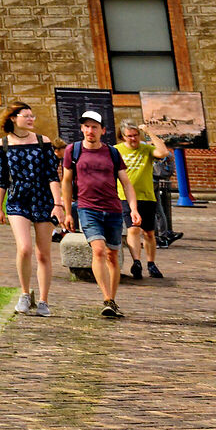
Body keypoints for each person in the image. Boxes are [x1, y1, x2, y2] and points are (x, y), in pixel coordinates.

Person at [61, 109, 143, 318]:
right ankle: (106, 298)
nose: (90, 130)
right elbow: (67, 181)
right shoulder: (74, 150)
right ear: (81, 129)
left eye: (94, 127)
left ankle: (112, 300)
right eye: (86, 126)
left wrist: (133, 209)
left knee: (112, 256)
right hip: (88, 208)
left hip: (113, 210)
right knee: (98, 250)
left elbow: (126, 182)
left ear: (102, 130)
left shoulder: (112, 153)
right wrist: (67, 211)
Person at [0, 100, 61, 317]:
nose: (31, 119)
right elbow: (1, 179)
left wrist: (58, 205)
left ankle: (43, 300)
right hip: (17, 199)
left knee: (43, 253)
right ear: (13, 118)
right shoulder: (2, 144)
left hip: (43, 199)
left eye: (32, 116)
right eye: (26, 115)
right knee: (24, 249)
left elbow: (52, 176)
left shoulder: (43, 142)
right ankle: (24, 293)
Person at [116, 123, 171, 280]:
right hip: (124, 196)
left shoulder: (146, 149)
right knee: (133, 228)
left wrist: (149, 132)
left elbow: (163, 152)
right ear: (122, 137)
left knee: (149, 232)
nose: (133, 139)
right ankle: (137, 262)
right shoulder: (117, 150)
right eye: (129, 136)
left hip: (147, 196)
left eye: (136, 135)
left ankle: (151, 263)